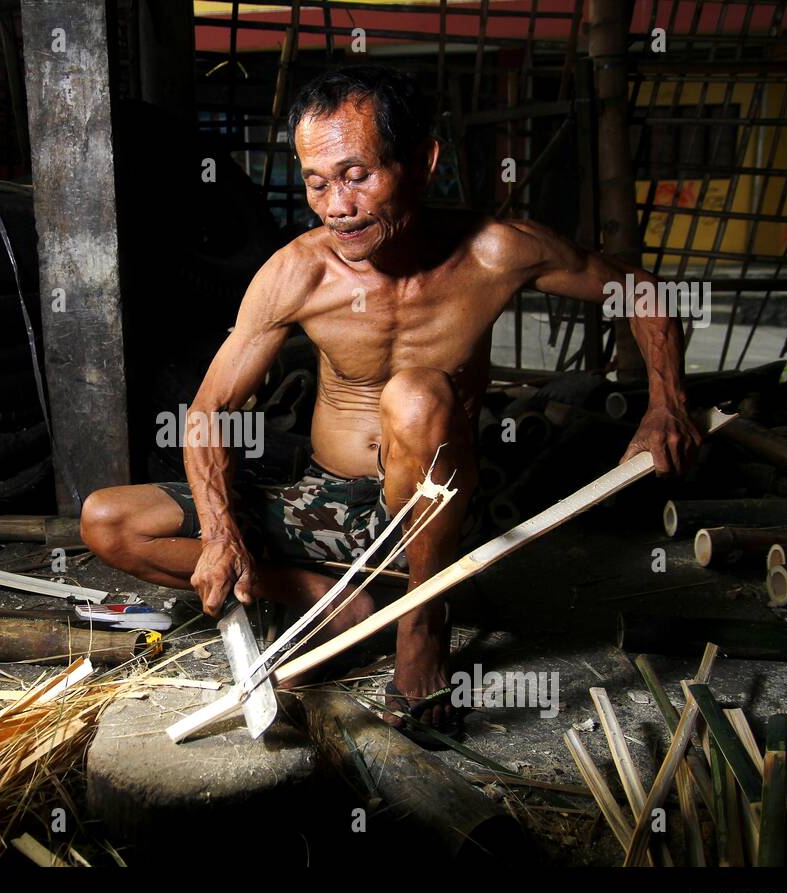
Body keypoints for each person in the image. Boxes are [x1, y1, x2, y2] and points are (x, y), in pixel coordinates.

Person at [81, 65, 699, 737]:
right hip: (325, 502)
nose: (335, 206)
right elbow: (207, 411)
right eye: (317, 182)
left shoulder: (495, 253)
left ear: (422, 162)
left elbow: (643, 291)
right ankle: (329, 599)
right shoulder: (300, 270)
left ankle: (421, 623)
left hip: (430, 515)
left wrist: (666, 404)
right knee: (107, 520)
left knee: (415, 393)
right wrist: (221, 531)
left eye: (356, 175)